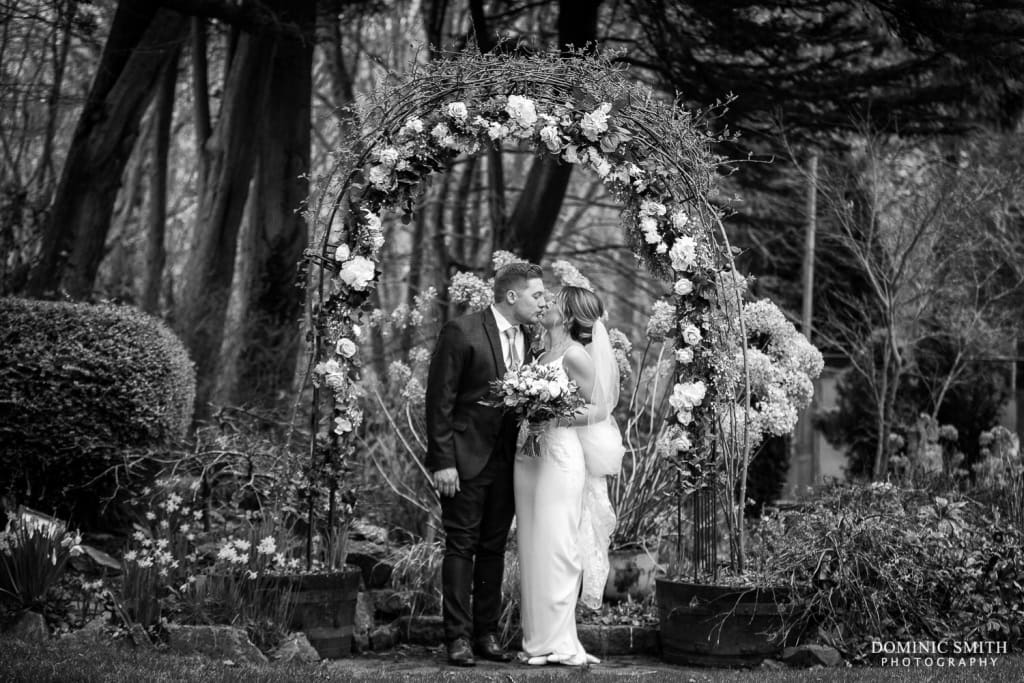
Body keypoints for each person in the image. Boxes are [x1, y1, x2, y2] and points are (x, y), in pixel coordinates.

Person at [425, 262, 548, 667]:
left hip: (508, 462)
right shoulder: (462, 331)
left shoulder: (531, 339)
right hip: (464, 460)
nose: (543, 302)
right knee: (461, 546)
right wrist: (443, 461)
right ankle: (456, 639)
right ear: (512, 296)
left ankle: (486, 634)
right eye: (537, 295)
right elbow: (439, 401)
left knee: (494, 548)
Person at [515, 284, 624, 666]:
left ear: (567, 314)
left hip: (561, 458)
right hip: (527, 458)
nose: (544, 304)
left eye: (552, 302)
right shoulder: (541, 352)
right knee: (532, 546)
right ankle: (537, 641)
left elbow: (599, 408)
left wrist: (554, 415)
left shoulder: (576, 355)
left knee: (559, 546)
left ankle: (563, 642)